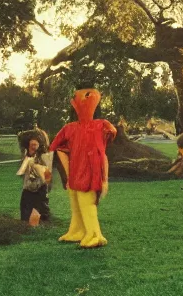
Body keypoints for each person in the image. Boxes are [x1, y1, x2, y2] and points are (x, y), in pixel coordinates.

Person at [49, 85, 116, 248]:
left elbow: (105, 147)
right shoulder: (70, 128)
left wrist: (104, 177)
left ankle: (95, 235)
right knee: (75, 201)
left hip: (90, 171)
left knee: (86, 202)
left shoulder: (101, 125)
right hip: (75, 172)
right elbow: (56, 147)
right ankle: (77, 231)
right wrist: (68, 171)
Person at [17, 138, 53, 224]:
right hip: (28, 186)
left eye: (35, 144)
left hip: (40, 186)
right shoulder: (26, 155)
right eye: (31, 145)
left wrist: (46, 183)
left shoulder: (44, 156)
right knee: (25, 208)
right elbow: (21, 172)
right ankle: (26, 223)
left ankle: (42, 223)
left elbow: (47, 174)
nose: (33, 146)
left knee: (40, 207)